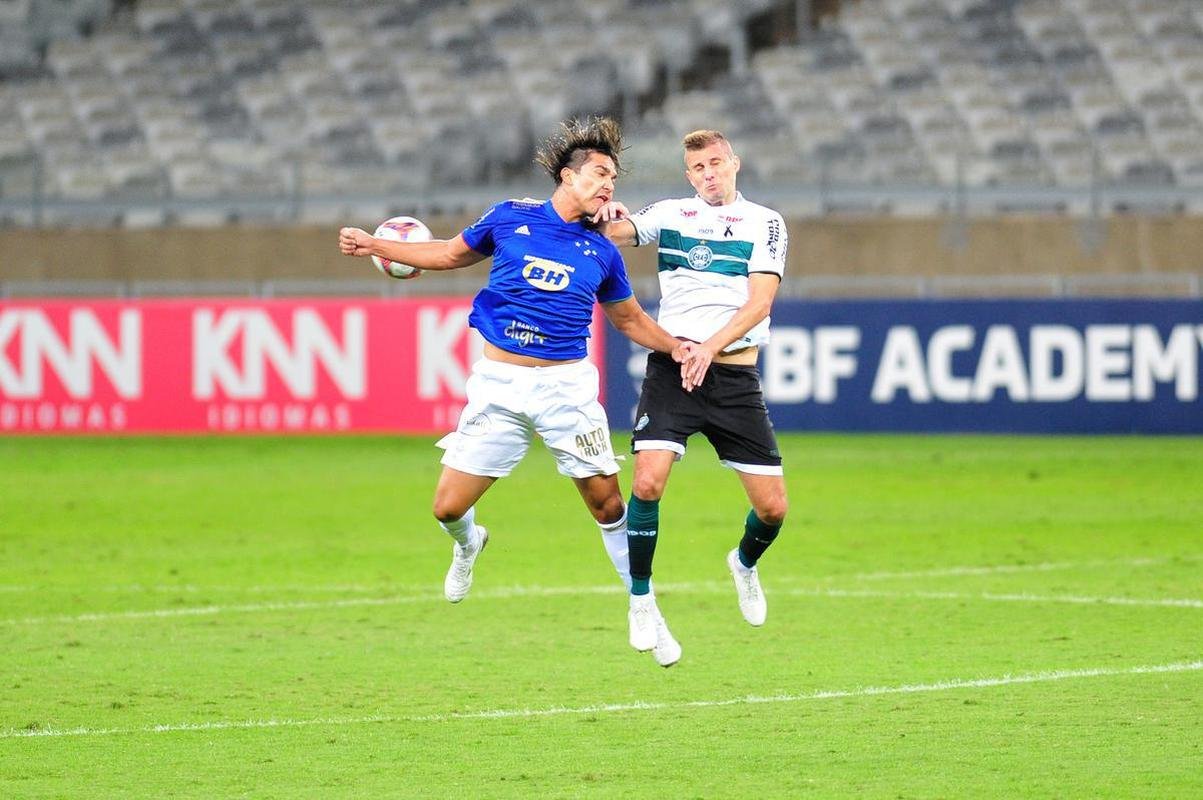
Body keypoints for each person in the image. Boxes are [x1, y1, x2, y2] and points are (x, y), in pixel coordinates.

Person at [338, 117, 707, 668]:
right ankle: (470, 543)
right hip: (500, 386)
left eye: (613, 178)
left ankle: (645, 607)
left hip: (566, 388)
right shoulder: (510, 217)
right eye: (599, 173)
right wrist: (374, 243)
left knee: (608, 504)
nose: (608, 184)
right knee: (447, 507)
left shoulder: (601, 250)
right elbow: (447, 254)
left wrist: (677, 347)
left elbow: (629, 319)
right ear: (567, 176)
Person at [595, 129, 789, 650]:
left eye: (716, 163)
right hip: (674, 369)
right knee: (647, 482)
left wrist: (710, 347)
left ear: (734, 163)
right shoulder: (670, 213)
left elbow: (759, 304)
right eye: (699, 167)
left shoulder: (766, 222)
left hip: (733, 377)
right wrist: (605, 215)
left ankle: (743, 564)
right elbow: (617, 233)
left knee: (773, 510)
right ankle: (640, 598)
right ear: (689, 175)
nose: (709, 174)